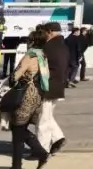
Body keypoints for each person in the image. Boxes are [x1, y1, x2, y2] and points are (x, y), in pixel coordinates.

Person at [7, 29, 50, 169]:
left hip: (25, 96)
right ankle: (17, 165)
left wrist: (10, 82)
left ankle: (41, 153)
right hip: (37, 95)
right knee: (19, 130)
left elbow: (15, 76)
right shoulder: (43, 56)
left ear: (32, 41)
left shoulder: (29, 56)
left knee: (17, 129)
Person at [37, 22, 69, 156]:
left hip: (47, 86)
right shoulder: (63, 46)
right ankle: (58, 138)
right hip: (58, 86)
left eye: (45, 32)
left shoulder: (48, 47)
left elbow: (41, 68)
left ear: (49, 31)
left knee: (43, 120)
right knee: (48, 116)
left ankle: (42, 150)